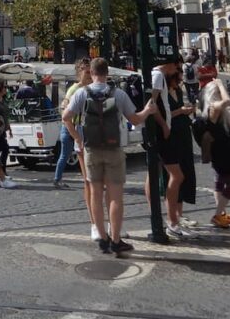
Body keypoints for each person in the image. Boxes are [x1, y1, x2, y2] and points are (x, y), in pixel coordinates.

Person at [63, 57, 157, 255]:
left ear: (92, 71)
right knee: (115, 196)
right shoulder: (119, 94)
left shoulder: (81, 93)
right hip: (114, 149)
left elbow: (66, 118)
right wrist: (148, 110)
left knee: (95, 194)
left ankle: (102, 239)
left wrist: (78, 138)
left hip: (91, 149)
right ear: (107, 73)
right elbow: (135, 119)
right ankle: (116, 239)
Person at [147, 58, 186, 237]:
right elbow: (151, 104)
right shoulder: (158, 76)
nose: (177, 71)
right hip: (161, 133)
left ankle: (161, 216)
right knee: (176, 175)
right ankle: (171, 221)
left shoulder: (157, 75)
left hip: (161, 131)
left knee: (153, 173)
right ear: (171, 64)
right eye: (177, 67)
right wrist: (163, 125)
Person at [201, 73, 230, 229]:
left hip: (225, 152)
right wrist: (220, 84)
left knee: (220, 182)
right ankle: (217, 215)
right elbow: (227, 101)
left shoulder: (219, 113)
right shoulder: (213, 108)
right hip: (222, 154)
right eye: (218, 92)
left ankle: (222, 214)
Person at [165, 70, 198, 228]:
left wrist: (187, 109)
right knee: (175, 176)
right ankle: (173, 217)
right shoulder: (163, 93)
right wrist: (180, 111)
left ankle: (180, 213)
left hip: (184, 134)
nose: (179, 82)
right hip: (173, 136)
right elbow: (164, 115)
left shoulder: (177, 90)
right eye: (176, 79)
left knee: (185, 172)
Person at [55, 58, 92, 191]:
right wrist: (75, 135)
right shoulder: (74, 89)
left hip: (83, 127)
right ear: (79, 72)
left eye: (90, 71)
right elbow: (65, 113)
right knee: (66, 154)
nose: (89, 73)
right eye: (86, 71)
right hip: (71, 127)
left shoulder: (91, 88)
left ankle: (89, 181)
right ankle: (57, 179)